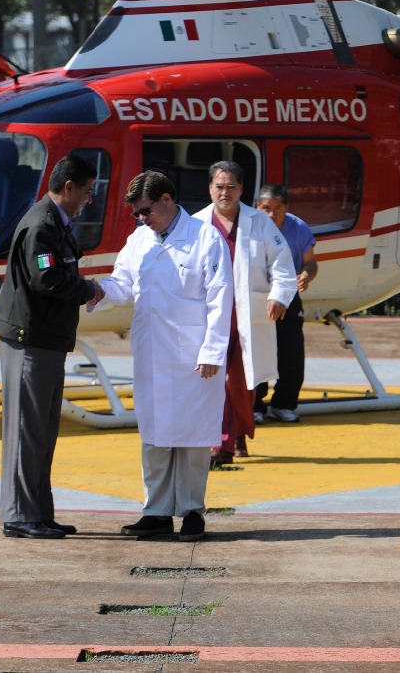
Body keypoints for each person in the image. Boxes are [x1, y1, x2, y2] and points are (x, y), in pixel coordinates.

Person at [93, 171, 232, 542]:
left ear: (167, 200)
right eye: (137, 213)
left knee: (192, 437)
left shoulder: (205, 238)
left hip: (194, 357)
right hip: (153, 352)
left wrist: (214, 350)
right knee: (154, 433)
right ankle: (155, 511)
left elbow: (221, 297)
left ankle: (191, 511)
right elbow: (123, 283)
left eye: (146, 210)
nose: (142, 219)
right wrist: (95, 291)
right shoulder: (140, 240)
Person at [0, 155, 104, 539]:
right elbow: (48, 278)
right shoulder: (41, 224)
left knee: (41, 429)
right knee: (27, 429)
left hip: (45, 340)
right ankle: (21, 515)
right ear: (68, 187)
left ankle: (37, 512)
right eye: (86, 193)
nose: (88, 200)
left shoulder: (55, 222)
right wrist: (88, 289)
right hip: (30, 341)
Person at [194, 162, 297, 466]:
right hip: (209, 315)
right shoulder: (196, 224)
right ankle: (222, 443)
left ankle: (236, 434)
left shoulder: (259, 222)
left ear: (241, 189)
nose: (224, 192)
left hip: (248, 314)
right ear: (210, 188)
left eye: (231, 187)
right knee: (216, 379)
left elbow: (282, 263)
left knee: (242, 381)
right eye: (219, 186)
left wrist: (279, 295)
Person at [252, 184, 317, 423]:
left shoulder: (298, 227)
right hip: (257, 295)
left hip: (288, 296)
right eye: (266, 208)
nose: (271, 214)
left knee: (291, 352)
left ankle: (283, 404)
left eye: (278, 208)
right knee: (257, 350)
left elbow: (310, 262)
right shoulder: (248, 227)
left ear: (286, 208)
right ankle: (254, 405)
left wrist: (306, 275)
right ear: (257, 207)